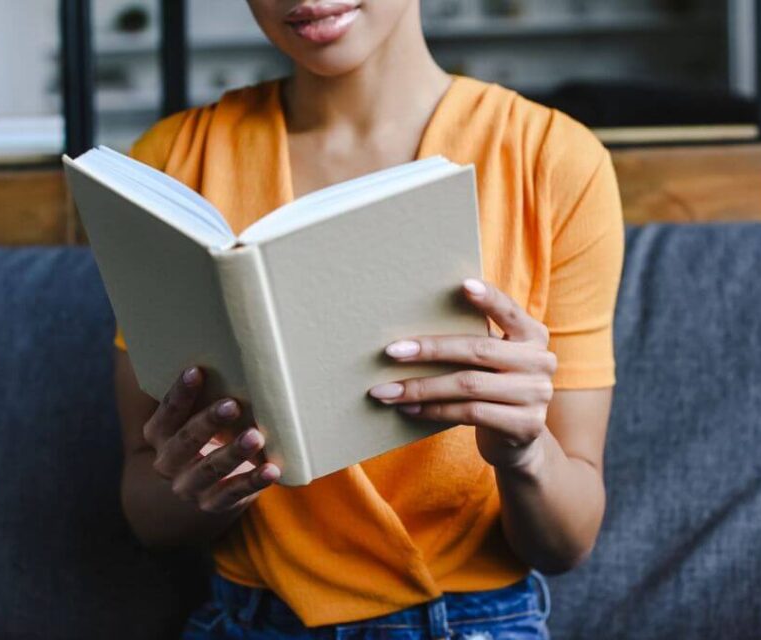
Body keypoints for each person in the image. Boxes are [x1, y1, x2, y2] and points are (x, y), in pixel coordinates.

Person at [112, 1, 625, 637]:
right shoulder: (171, 165)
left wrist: (524, 452)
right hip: (244, 619)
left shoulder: (551, 161)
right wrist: (209, 485)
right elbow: (147, 511)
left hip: (473, 621)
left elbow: (567, 542)